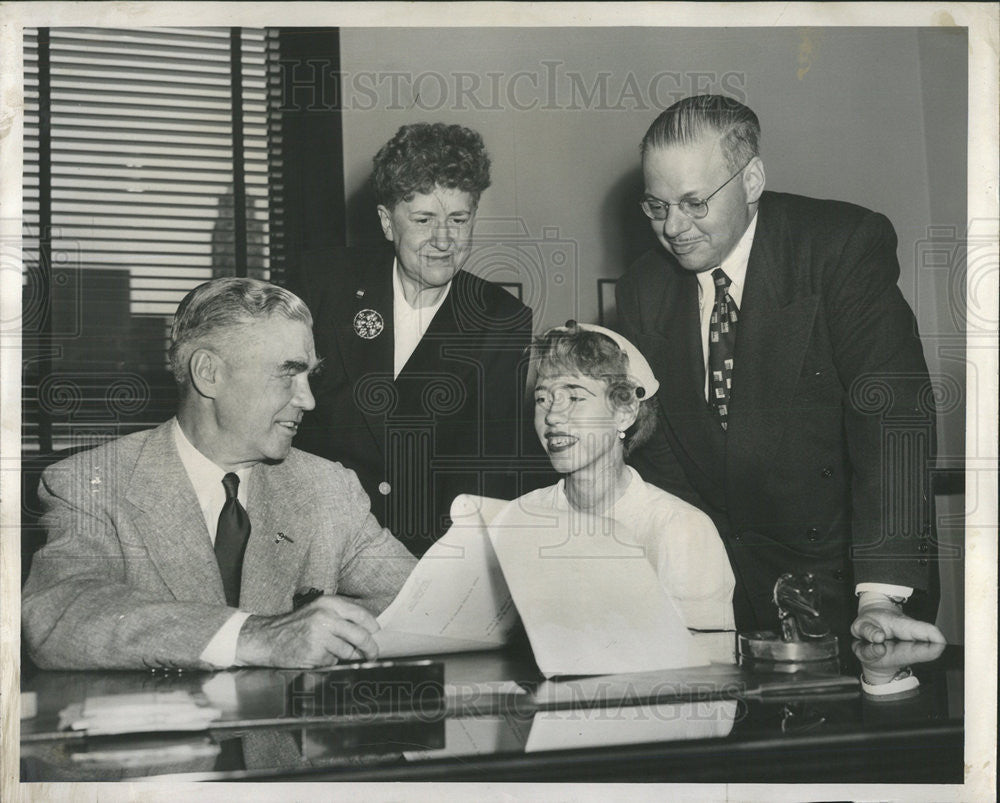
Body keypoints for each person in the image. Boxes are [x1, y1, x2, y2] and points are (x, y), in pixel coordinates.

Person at [616, 94, 944, 643]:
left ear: (751, 181)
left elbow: (892, 421)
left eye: (695, 203)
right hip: (723, 590)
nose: (674, 227)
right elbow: (664, 457)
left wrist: (882, 595)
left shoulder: (838, 246)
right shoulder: (642, 290)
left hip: (851, 591)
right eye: (657, 206)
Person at [22, 278, 417, 671]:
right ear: (208, 373)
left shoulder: (329, 489)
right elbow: (59, 614)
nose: (308, 400)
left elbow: (426, 605)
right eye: (287, 374)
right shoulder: (91, 484)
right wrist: (256, 636)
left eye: (309, 376)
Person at [294, 122, 544, 557]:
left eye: (459, 219)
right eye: (424, 219)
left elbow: (491, 471)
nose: (444, 240)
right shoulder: (324, 286)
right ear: (387, 223)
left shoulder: (500, 319)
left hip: (427, 553)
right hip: (320, 537)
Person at [517, 321, 736, 656]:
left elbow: (710, 680)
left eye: (574, 396)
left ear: (624, 412)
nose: (552, 416)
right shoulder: (518, 520)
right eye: (543, 398)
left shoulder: (679, 529)